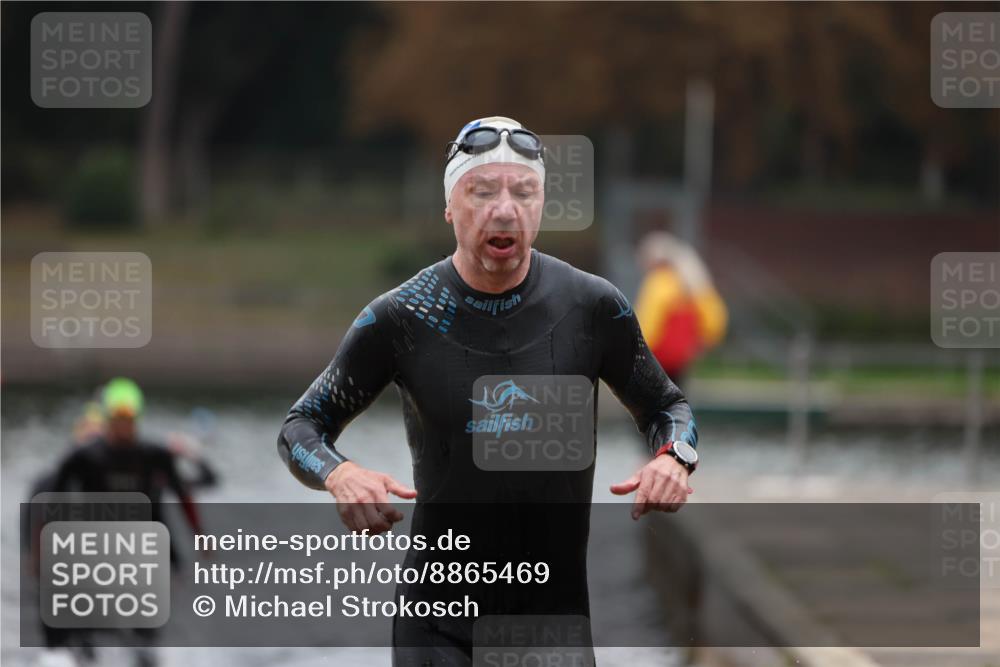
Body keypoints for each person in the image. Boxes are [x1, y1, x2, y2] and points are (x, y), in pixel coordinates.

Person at [277, 117, 700, 665]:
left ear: (541, 206)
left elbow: (668, 407)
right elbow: (300, 427)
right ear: (449, 207)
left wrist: (674, 457)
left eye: (523, 192)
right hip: (436, 627)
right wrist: (340, 474)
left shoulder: (593, 308)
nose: (504, 210)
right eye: (481, 192)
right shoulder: (403, 315)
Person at [51, 378, 204, 667]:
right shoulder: (83, 457)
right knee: (86, 630)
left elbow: (183, 497)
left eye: (129, 420)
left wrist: (200, 538)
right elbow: (54, 502)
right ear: (108, 420)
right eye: (118, 420)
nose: (124, 427)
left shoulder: (154, 455)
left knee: (145, 634)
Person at [634, 231, 727, 389]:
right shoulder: (693, 283)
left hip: (659, 355)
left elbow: (649, 321)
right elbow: (714, 317)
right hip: (682, 357)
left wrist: (638, 350)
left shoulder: (659, 282)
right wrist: (704, 342)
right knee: (676, 394)